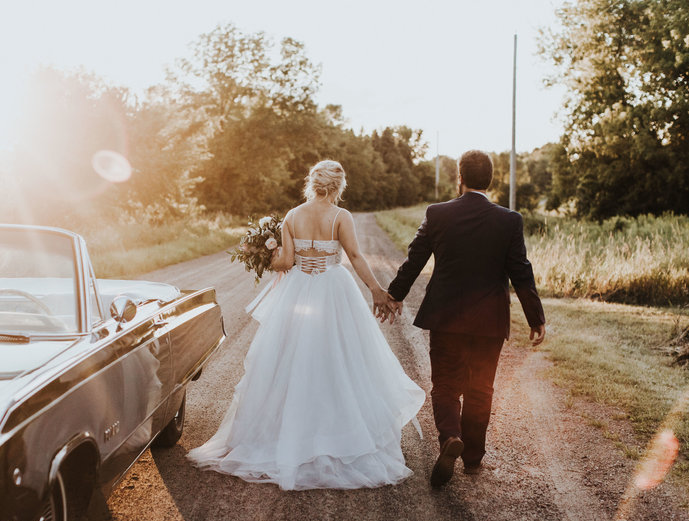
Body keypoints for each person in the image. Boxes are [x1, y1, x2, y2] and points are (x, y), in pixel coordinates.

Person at [187, 160, 425, 490]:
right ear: (338, 186)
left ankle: (286, 435)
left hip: (298, 291)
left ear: (312, 183)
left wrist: (263, 253)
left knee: (292, 360)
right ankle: (336, 431)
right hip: (333, 288)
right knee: (338, 359)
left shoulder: (293, 216)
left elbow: (285, 261)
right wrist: (376, 290)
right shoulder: (341, 217)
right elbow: (354, 256)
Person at [384, 150, 546, 487]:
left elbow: (414, 261)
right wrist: (535, 317)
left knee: (445, 384)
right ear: (491, 180)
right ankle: (473, 459)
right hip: (489, 320)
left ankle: (450, 437)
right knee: (481, 388)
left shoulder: (438, 214)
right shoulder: (509, 220)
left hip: (446, 316)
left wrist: (395, 295)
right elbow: (521, 272)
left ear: (460, 177)